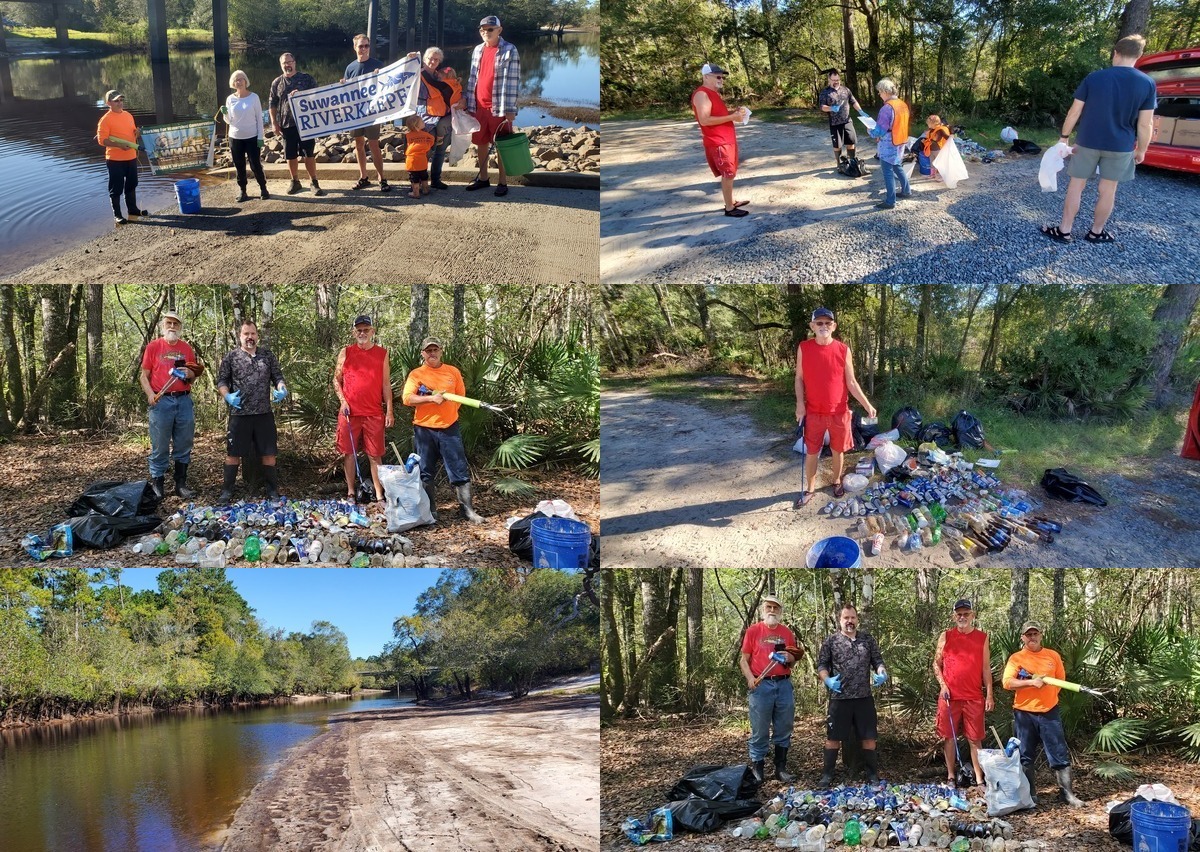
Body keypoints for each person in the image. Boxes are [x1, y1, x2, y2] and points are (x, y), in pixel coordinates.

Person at [1041, 34, 1156, 244]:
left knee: (1076, 186)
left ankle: (1065, 230)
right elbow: (1145, 123)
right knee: (1108, 190)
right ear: (1138, 56)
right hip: (1121, 145)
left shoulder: (1094, 77)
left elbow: (1074, 112)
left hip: (1087, 142)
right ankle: (1096, 232)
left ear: (1116, 53)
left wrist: (1064, 137)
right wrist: (1142, 149)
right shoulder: (1147, 83)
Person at [793, 307, 877, 508]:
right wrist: (800, 405)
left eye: (827, 323)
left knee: (838, 450)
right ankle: (810, 488)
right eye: (819, 323)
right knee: (812, 451)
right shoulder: (804, 347)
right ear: (812, 326)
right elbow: (799, 378)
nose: (823, 326)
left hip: (839, 412)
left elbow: (852, 382)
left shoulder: (843, 349)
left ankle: (836, 481)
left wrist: (867, 405)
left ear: (834, 326)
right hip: (813, 411)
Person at [401, 337, 484, 523]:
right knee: (425, 471)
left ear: (441, 351)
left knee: (458, 469)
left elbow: (460, 397)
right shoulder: (416, 374)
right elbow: (407, 398)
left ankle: (467, 511)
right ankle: (430, 512)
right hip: (424, 429)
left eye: (435, 350)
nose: (432, 353)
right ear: (423, 353)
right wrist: (430, 399)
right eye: (428, 350)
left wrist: (448, 413)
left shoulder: (452, 372)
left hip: (449, 428)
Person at [1002, 621, 1084, 808]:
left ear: (1041, 635)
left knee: (1059, 753)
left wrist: (1048, 696)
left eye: (1035, 634)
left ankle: (1067, 794)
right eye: (1028, 634)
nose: (1032, 637)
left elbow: (1060, 681)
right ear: (1023, 637)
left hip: (1049, 712)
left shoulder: (1052, 656)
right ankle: (1030, 795)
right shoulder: (1016, 658)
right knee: (1025, 755)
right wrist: (1031, 683)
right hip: (1024, 713)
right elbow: (1007, 682)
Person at [216, 319, 288, 502]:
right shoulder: (231, 357)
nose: (250, 337)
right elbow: (222, 381)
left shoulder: (267, 356)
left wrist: (282, 388)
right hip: (240, 414)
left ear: (257, 335)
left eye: (253, 333)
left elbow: (277, 377)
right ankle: (227, 491)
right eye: (246, 334)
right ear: (240, 336)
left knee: (269, 454)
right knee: (233, 454)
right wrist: (227, 396)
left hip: (264, 413)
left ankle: (272, 491)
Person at [817, 603, 888, 786]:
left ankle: (872, 774)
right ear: (840, 620)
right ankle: (827, 775)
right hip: (840, 698)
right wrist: (827, 680)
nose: (850, 621)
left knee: (869, 738)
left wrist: (882, 673)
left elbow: (877, 661)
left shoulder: (867, 639)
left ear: (857, 619)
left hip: (864, 697)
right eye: (846, 618)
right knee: (833, 738)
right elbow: (822, 665)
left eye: (853, 617)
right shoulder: (831, 641)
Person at [138, 311, 202, 500]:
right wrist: (150, 394)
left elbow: (193, 374)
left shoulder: (186, 348)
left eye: (175, 323)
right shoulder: (153, 347)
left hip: (183, 400)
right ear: (162, 325)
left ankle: (180, 485)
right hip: (161, 401)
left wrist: (190, 374)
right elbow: (144, 376)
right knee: (160, 445)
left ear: (180, 327)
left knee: (184, 443)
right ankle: (158, 486)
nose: (172, 326)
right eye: (168, 323)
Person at [738, 595, 802, 784]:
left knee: (784, 727)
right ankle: (758, 770)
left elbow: (793, 658)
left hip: (783, 684)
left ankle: (780, 769)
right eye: (768, 607)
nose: (772, 610)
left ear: (780, 611)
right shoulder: (753, 631)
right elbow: (744, 659)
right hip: (761, 685)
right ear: (763, 609)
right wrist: (750, 678)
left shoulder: (786, 632)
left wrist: (790, 658)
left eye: (775, 607)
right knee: (760, 729)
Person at [933, 599, 994, 787]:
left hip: (974, 696)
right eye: (959, 614)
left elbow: (985, 669)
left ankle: (979, 779)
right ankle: (951, 776)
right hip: (949, 697)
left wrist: (989, 694)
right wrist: (943, 685)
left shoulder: (982, 637)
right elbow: (937, 663)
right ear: (954, 616)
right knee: (949, 737)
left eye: (966, 613)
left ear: (972, 615)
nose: (962, 617)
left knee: (975, 739)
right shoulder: (945, 636)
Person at [334, 315, 395, 502]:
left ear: (372, 331)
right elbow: (337, 379)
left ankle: (379, 495)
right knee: (349, 453)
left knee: (375, 455)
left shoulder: (382, 354)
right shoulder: (345, 352)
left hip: (374, 413)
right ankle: (351, 492)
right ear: (354, 332)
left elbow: (386, 385)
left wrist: (390, 410)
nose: (362, 333)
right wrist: (343, 400)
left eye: (366, 330)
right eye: (359, 330)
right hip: (349, 413)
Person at [464, 15, 521, 197]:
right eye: (483, 29)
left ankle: (502, 182)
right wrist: (467, 101)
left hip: (499, 107)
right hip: (478, 106)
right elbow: (472, 78)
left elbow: (513, 81)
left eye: (490, 29)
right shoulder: (477, 50)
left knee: (501, 145)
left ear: (499, 30)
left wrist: (511, 110)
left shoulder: (510, 50)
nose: (486, 32)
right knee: (480, 143)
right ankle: (483, 178)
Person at [691, 63, 749, 217]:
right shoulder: (702, 94)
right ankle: (729, 208)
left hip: (727, 140)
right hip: (718, 142)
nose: (721, 79)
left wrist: (734, 113)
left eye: (722, 76)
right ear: (706, 77)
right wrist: (732, 117)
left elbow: (718, 116)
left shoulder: (714, 94)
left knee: (730, 172)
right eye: (717, 76)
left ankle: (731, 201)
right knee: (728, 173)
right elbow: (704, 120)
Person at [269, 52, 325, 196]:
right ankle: (295, 181)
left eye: (290, 62)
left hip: (306, 124)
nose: (287, 65)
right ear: (281, 65)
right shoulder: (277, 82)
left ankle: (314, 182)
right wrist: (274, 122)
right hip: (287, 125)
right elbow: (272, 103)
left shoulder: (306, 79)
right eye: (284, 63)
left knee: (308, 154)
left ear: (294, 62)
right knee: (290, 155)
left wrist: (301, 94)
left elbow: (318, 97)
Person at [344, 34, 391, 193]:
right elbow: (345, 91)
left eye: (366, 46)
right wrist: (342, 85)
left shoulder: (378, 65)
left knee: (374, 144)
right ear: (355, 48)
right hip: (356, 113)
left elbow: (387, 86)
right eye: (360, 46)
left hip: (372, 112)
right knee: (358, 144)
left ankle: (381, 178)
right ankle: (363, 177)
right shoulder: (350, 68)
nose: (364, 49)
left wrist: (381, 76)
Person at [96, 89, 148, 226]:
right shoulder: (105, 120)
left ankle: (133, 210)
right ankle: (118, 215)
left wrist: (137, 133)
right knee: (116, 188)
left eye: (121, 100)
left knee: (132, 184)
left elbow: (132, 133)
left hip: (131, 157)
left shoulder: (128, 115)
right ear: (109, 103)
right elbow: (102, 140)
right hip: (114, 160)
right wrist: (119, 145)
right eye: (116, 101)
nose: (120, 103)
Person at [416, 47, 462, 190]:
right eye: (430, 58)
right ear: (424, 59)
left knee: (441, 151)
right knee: (424, 152)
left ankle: (436, 179)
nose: (433, 61)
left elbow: (457, 91)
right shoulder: (416, 75)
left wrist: (463, 101)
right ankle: (418, 182)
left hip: (444, 118)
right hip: (426, 119)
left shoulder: (441, 76)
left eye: (436, 59)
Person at [224, 70, 269, 202]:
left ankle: (263, 188)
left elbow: (259, 119)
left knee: (255, 164)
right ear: (233, 83)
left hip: (252, 136)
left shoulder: (254, 97)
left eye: (241, 79)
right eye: (236, 80)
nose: (239, 82)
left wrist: (260, 137)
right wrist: (225, 113)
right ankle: (243, 191)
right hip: (235, 137)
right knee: (239, 165)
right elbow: (229, 120)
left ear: (246, 81)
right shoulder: (230, 99)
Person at [868, 78, 911, 209]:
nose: (879, 95)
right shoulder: (902, 104)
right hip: (900, 140)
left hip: (889, 142)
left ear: (885, 91)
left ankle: (890, 201)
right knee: (897, 165)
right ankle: (906, 191)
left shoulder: (886, 108)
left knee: (887, 171)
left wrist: (870, 130)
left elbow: (879, 131)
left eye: (880, 92)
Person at [820, 69, 865, 171]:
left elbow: (853, 101)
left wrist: (861, 111)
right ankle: (838, 164)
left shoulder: (846, 90)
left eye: (838, 80)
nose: (836, 82)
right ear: (829, 79)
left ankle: (852, 161)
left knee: (851, 142)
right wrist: (831, 108)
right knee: (837, 145)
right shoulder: (825, 93)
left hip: (847, 121)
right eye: (833, 80)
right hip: (835, 123)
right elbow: (822, 107)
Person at [403, 113, 435, 198]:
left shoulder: (408, 135)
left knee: (414, 178)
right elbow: (432, 139)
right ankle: (425, 189)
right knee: (424, 175)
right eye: (422, 122)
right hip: (422, 159)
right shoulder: (425, 134)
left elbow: (405, 147)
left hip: (411, 159)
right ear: (417, 126)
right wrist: (428, 146)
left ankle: (415, 193)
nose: (423, 122)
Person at [920, 114, 951, 179]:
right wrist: (924, 142)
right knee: (932, 163)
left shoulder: (940, 130)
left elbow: (947, 137)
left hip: (938, 150)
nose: (928, 125)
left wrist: (952, 136)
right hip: (931, 150)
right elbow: (930, 140)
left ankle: (940, 176)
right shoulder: (931, 130)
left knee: (939, 163)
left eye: (928, 124)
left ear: (934, 123)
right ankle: (932, 174)